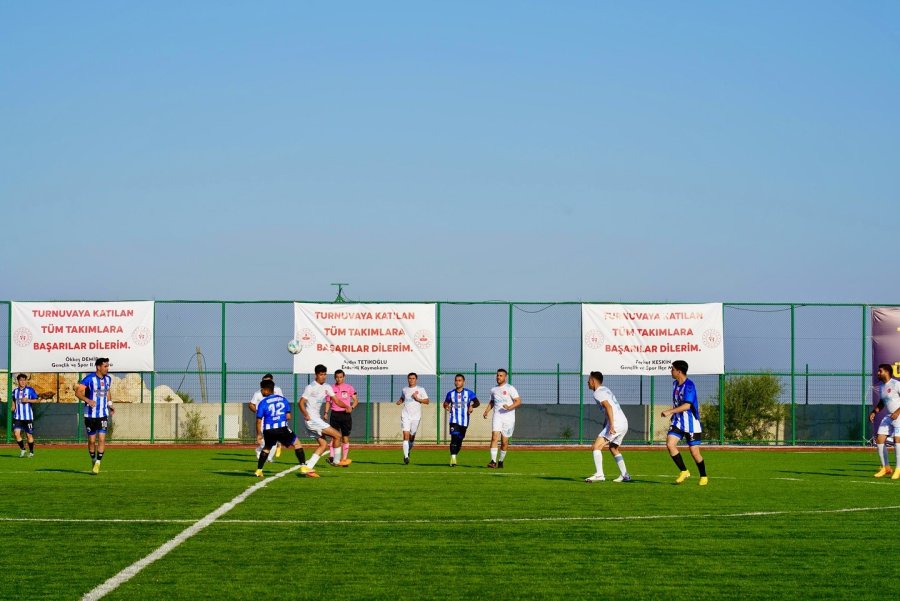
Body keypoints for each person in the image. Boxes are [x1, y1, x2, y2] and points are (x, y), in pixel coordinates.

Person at [661, 360, 707, 486]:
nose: (671, 371)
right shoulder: (675, 384)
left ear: (679, 371)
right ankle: (684, 471)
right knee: (670, 444)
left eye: (672, 369)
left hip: (691, 423)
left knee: (694, 452)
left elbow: (687, 405)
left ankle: (703, 476)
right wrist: (673, 415)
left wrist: (669, 411)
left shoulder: (689, 385)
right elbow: (678, 402)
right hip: (678, 422)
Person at [298, 364, 350, 476]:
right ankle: (336, 461)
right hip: (312, 420)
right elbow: (301, 403)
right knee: (337, 435)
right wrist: (306, 414)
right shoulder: (310, 387)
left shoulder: (327, 386)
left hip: (315, 419)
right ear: (316, 375)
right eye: (321, 374)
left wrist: (346, 406)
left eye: (325, 374)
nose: (323, 376)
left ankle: (308, 468)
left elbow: (336, 400)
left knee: (323, 445)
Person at [584, 371, 631, 483]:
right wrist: (606, 423)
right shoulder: (605, 389)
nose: (587, 382)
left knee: (596, 446)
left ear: (593, 381)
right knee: (613, 448)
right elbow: (609, 408)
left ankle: (599, 474)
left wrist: (612, 425)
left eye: (589, 380)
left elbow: (608, 407)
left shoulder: (597, 393)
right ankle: (625, 475)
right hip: (623, 422)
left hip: (616, 423)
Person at [254, 380, 308, 478]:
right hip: (281, 428)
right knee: (297, 444)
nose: (261, 391)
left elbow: (258, 420)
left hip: (268, 430)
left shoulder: (263, 402)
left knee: (267, 448)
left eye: (262, 389)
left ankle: (259, 471)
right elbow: (288, 416)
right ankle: (303, 467)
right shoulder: (283, 400)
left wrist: (259, 434)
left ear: (266, 390)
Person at [74, 358, 115, 475]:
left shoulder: (108, 379)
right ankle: (93, 459)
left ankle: (98, 462)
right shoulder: (89, 379)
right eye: (105, 366)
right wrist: (88, 400)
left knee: (102, 439)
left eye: (108, 366)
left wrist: (110, 404)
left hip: (102, 414)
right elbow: (78, 392)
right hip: (89, 414)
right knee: (91, 441)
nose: (107, 368)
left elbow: (107, 391)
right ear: (98, 367)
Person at [483, 368, 521, 468]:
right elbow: (492, 402)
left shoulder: (510, 388)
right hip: (497, 416)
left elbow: (518, 401)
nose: (498, 377)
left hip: (508, 418)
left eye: (500, 375)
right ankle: (493, 461)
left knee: (504, 442)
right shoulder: (493, 390)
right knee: (494, 437)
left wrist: (509, 407)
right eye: (497, 375)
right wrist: (486, 411)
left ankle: (500, 461)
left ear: (505, 377)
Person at [869, 363, 900, 479]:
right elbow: (882, 402)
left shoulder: (896, 384)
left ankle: (898, 469)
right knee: (879, 439)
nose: (878, 373)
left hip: (899, 416)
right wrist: (874, 412)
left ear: (887, 372)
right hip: (889, 416)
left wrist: (897, 412)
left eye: (880, 371)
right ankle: (886, 467)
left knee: (897, 439)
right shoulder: (882, 387)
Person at [443, 374, 479, 467]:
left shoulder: (468, 393)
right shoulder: (450, 394)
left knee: (459, 441)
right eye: (456, 380)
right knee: (454, 438)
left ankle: (454, 455)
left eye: (459, 380)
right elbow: (445, 403)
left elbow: (477, 402)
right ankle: (453, 458)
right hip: (454, 420)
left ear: (463, 382)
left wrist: (471, 406)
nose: (457, 382)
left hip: (464, 421)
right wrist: (447, 406)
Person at [326, 369, 357, 466]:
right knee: (334, 436)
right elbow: (328, 401)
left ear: (344, 377)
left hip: (345, 415)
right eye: (337, 377)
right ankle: (332, 457)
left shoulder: (349, 387)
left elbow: (356, 400)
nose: (339, 379)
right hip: (334, 414)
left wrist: (351, 407)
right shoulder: (330, 388)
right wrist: (326, 412)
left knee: (345, 437)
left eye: (340, 377)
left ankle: (344, 459)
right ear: (334, 378)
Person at [396, 372, 429, 464]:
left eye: (413, 378)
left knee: (412, 437)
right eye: (410, 378)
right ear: (408, 379)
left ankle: (408, 451)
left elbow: (427, 401)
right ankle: (406, 457)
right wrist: (400, 401)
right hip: (405, 415)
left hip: (416, 417)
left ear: (416, 379)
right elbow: (403, 398)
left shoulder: (421, 389)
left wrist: (417, 399)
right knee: (405, 436)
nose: (411, 380)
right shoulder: (404, 389)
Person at [249, 374, 283, 463]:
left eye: (268, 381)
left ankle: (269, 458)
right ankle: (259, 450)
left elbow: (281, 400)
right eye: (264, 381)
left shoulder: (277, 390)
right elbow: (251, 404)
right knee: (264, 441)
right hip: (263, 420)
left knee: (273, 440)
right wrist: (258, 411)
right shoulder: (258, 393)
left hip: (273, 419)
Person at [11, 373, 39, 458]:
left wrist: (28, 400)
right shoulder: (15, 391)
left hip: (28, 417)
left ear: (26, 381)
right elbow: (13, 400)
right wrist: (13, 406)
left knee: (28, 435)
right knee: (16, 434)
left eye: (24, 380)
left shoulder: (30, 390)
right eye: (21, 380)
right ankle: (23, 449)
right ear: (18, 381)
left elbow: (37, 400)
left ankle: (31, 452)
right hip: (18, 417)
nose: (22, 382)